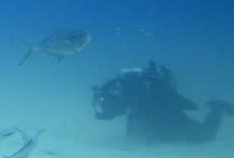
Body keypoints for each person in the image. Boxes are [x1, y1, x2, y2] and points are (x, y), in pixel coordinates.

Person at [92, 61, 232, 143]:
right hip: (153, 116)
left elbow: (176, 100)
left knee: (205, 135)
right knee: (139, 137)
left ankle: (217, 108)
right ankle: (216, 108)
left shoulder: (135, 91)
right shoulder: (135, 93)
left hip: (164, 115)